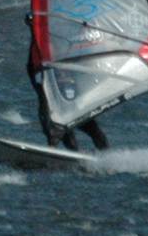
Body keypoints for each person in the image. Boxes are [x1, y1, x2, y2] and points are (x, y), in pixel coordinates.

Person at [26, 11, 109, 152]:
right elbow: (33, 69)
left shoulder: (58, 47)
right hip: (52, 99)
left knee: (89, 126)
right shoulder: (37, 56)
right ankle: (70, 155)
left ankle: (107, 155)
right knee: (54, 126)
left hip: (70, 94)